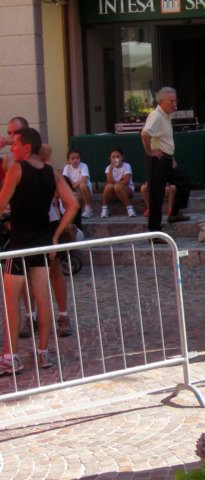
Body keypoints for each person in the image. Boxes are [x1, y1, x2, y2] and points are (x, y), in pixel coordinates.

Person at [0, 128, 78, 376]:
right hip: (43, 242)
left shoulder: (17, 169)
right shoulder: (51, 173)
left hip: (19, 244)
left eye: (15, 144)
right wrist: (55, 235)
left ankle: (11, 357)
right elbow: (73, 203)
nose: (11, 148)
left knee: (11, 302)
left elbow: (1, 203)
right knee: (43, 299)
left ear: (26, 147)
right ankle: (43, 352)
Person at [140, 86, 191, 232]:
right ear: (161, 101)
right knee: (156, 195)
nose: (175, 105)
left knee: (184, 181)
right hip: (157, 161)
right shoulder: (156, 116)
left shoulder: (166, 115)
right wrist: (150, 152)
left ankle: (174, 213)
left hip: (167, 159)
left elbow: (165, 139)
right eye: (171, 101)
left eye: (176, 101)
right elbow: (145, 134)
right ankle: (154, 231)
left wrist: (172, 157)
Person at [101, 146, 136, 218]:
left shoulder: (127, 166)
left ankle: (129, 208)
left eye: (118, 156)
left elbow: (126, 181)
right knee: (109, 186)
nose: (116, 159)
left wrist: (116, 184)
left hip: (127, 190)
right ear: (110, 158)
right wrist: (111, 169)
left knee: (117, 187)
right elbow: (109, 182)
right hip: (114, 192)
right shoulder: (108, 168)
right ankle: (104, 209)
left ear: (122, 157)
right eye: (113, 157)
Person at [62, 149, 94, 219]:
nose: (75, 160)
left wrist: (75, 184)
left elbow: (84, 179)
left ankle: (88, 209)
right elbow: (65, 180)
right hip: (74, 191)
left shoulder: (84, 166)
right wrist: (74, 185)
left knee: (82, 185)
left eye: (77, 158)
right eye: (73, 158)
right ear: (68, 160)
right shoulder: (67, 167)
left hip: (85, 191)